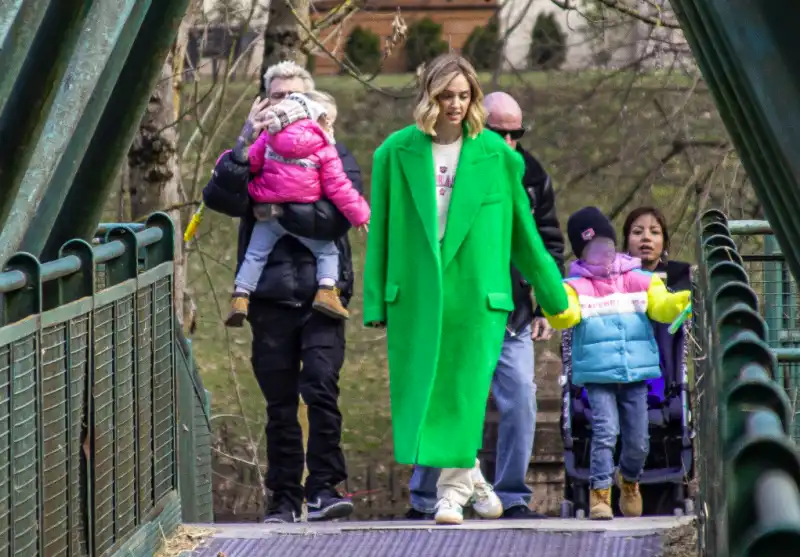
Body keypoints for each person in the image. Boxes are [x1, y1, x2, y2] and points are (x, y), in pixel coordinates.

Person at [363, 54, 569, 525]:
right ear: (428, 96)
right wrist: (375, 300)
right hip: (416, 297)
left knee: (463, 393)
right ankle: (474, 480)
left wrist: (553, 297)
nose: (455, 104)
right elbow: (382, 236)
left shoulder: (499, 157)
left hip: (480, 297)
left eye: (463, 95)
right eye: (446, 95)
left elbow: (525, 233)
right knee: (431, 396)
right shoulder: (393, 154)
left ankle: (450, 497)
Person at [203, 61, 358, 523]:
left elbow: (338, 216)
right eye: (276, 95)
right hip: (268, 295)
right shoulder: (254, 152)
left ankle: (326, 488)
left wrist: (278, 207)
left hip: (322, 294)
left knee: (322, 389)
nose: (285, 103)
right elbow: (219, 198)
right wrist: (246, 140)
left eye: (295, 95)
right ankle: (284, 497)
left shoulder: (331, 149)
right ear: (262, 101)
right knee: (279, 402)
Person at [406, 91, 565, 520]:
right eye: (501, 132)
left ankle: (512, 494)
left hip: (510, 311)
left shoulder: (529, 174)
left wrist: (546, 304)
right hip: (454, 310)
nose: (510, 142)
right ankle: (424, 497)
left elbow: (547, 242)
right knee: (442, 398)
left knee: (521, 399)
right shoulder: (446, 165)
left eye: (518, 134)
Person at [543, 206, 690, 520]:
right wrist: (551, 302)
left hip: (636, 375)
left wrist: (682, 301)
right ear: (582, 255)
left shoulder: (640, 280)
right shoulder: (575, 288)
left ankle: (629, 481)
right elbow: (565, 315)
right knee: (605, 433)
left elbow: (662, 306)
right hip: (598, 377)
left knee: (638, 443)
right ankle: (600, 495)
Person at [225, 91, 370, 327]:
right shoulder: (323, 147)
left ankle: (240, 296)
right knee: (328, 252)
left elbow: (251, 161)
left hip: (268, 212)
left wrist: (233, 157)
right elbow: (338, 187)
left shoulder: (268, 137)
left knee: (255, 254)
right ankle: (326, 291)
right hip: (304, 216)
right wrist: (360, 214)